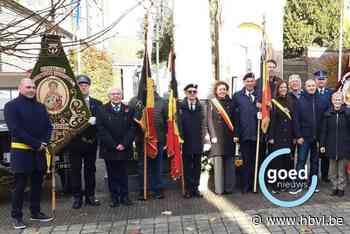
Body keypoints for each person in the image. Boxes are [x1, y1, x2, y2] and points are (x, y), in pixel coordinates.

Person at [4, 78, 53, 229]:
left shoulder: (40, 106)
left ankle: (35, 212)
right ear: (20, 88)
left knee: (37, 183)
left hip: (38, 152)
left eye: (33, 87)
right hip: (21, 151)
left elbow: (48, 126)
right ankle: (17, 217)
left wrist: (43, 142)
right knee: (20, 185)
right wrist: (37, 144)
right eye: (28, 87)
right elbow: (15, 129)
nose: (31, 89)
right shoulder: (11, 106)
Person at [67, 74, 102, 209]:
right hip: (75, 143)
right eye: (80, 85)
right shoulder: (70, 104)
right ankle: (77, 197)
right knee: (75, 171)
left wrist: (96, 121)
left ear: (89, 87)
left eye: (85, 85)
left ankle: (90, 196)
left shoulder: (97, 103)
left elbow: (102, 122)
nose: (83, 87)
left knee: (90, 170)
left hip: (91, 143)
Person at [97, 88, 135, 207]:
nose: (116, 96)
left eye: (118, 94)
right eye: (113, 94)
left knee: (124, 173)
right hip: (110, 149)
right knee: (112, 174)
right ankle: (114, 198)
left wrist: (124, 144)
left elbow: (132, 128)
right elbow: (101, 130)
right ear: (109, 96)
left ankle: (125, 196)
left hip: (125, 147)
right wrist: (114, 145)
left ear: (121, 95)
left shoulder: (129, 109)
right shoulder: (101, 109)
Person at [290, 79, 329, 194]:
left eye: (313, 85)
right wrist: (298, 136)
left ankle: (313, 184)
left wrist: (322, 139)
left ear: (316, 86)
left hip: (316, 138)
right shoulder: (299, 101)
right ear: (305, 87)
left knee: (315, 162)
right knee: (301, 161)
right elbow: (295, 121)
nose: (311, 87)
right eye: (309, 86)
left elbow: (324, 122)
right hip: (304, 138)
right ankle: (298, 184)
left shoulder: (322, 101)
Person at [130, 89, 167, 200]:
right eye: (145, 86)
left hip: (157, 140)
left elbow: (166, 121)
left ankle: (158, 189)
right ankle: (144, 189)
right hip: (141, 140)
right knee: (143, 166)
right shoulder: (135, 101)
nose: (148, 88)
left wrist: (164, 138)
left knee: (158, 166)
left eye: (151, 86)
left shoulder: (162, 102)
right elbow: (131, 119)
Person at [180, 84, 208, 198]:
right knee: (186, 166)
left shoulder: (201, 106)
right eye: (190, 91)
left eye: (194, 92)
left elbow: (204, 124)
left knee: (197, 166)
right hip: (185, 141)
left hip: (197, 140)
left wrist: (205, 139)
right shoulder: (180, 107)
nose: (192, 94)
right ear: (186, 93)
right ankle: (188, 189)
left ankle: (195, 188)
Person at [208, 81, 236, 195]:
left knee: (229, 165)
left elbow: (236, 120)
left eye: (224, 89)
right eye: (220, 89)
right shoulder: (212, 103)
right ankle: (219, 189)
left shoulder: (231, 103)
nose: (222, 91)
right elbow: (209, 121)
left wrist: (236, 135)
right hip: (217, 138)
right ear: (216, 91)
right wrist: (212, 136)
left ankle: (229, 188)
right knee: (218, 164)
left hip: (229, 137)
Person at [267, 80, 295, 193]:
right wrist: (271, 136)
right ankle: (275, 186)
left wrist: (294, 136)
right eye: (281, 87)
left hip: (288, 136)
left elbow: (294, 121)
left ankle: (285, 184)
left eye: (285, 87)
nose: (283, 89)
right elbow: (271, 121)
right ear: (277, 89)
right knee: (276, 161)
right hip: (277, 136)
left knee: (287, 161)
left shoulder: (291, 101)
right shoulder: (273, 102)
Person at [320, 92, 350, 197]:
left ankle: (341, 188)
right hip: (331, 145)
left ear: (342, 101)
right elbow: (324, 131)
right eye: (335, 100)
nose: (337, 102)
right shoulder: (327, 114)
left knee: (341, 170)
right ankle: (334, 187)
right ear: (332, 101)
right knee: (332, 170)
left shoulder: (347, 113)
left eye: (339, 100)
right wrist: (322, 145)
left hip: (344, 146)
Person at [315, 70, 333, 183]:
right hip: (315, 127)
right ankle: (314, 175)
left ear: (326, 80)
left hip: (326, 128)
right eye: (319, 79)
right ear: (316, 80)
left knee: (325, 153)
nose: (321, 81)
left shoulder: (330, 93)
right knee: (314, 153)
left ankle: (325, 175)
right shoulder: (311, 91)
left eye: (323, 79)